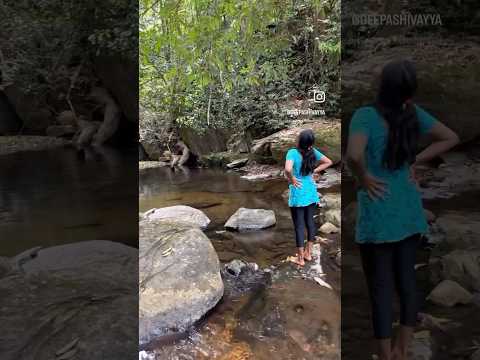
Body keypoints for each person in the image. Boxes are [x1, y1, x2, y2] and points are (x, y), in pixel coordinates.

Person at [346, 59, 459, 360]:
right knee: (407, 280)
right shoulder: (413, 113)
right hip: (409, 210)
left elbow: (354, 155)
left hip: (378, 214)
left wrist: (364, 178)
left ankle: (386, 355)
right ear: (408, 93)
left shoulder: (365, 116)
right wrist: (417, 160)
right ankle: (403, 348)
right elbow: (450, 137)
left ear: (383, 85)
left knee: (381, 289)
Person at [284, 129, 333, 267]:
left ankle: (300, 259)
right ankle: (308, 253)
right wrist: (314, 171)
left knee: (299, 226)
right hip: (311, 191)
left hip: (298, 193)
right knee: (310, 222)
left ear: (299, 140)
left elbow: (288, 169)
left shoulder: (292, 152)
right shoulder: (313, 152)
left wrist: (292, 179)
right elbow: (328, 162)